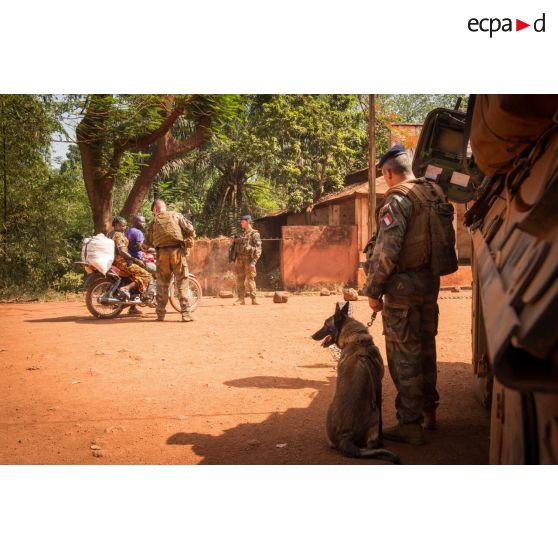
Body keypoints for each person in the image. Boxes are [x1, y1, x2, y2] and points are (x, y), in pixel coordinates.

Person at [363, 144, 455, 445]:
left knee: (404, 353)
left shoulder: (398, 199)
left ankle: (409, 424)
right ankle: (429, 414)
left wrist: (374, 288)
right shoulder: (433, 193)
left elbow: (388, 251)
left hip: (403, 287)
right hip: (429, 283)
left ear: (388, 173)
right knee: (426, 347)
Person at [144, 199, 195, 322]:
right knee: (182, 282)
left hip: (161, 255)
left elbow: (147, 243)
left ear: (155, 209)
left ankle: (160, 314)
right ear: (163, 207)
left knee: (162, 284)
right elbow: (190, 229)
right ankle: (186, 314)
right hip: (177, 253)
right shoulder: (176, 215)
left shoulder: (153, 222)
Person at [109, 216, 154, 316]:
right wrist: (135, 259)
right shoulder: (119, 235)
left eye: (125, 225)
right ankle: (126, 288)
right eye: (122, 225)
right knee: (147, 275)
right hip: (122, 262)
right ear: (116, 225)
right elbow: (122, 251)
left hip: (114, 261)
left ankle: (132, 306)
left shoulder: (110, 234)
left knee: (135, 275)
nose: (124, 227)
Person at [229, 215, 262, 305]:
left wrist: (253, 262)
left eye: (242, 221)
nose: (241, 223)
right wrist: (233, 259)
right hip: (239, 260)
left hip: (249, 260)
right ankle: (241, 299)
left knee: (250, 279)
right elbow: (234, 248)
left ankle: (254, 299)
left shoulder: (254, 234)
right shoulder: (240, 234)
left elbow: (258, 249)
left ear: (248, 221)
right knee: (240, 279)